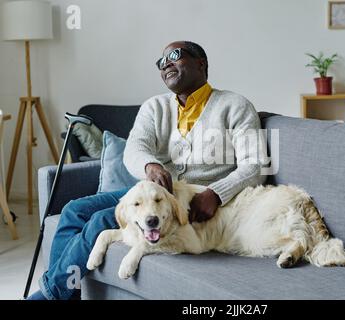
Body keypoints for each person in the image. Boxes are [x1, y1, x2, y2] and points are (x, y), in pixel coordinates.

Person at [27, 41, 266, 300]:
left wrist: (216, 193)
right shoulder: (154, 107)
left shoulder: (235, 106)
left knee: (99, 221)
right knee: (74, 209)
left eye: (175, 56)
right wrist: (150, 165)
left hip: (191, 199)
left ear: (201, 63)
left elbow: (255, 166)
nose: (166, 64)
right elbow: (134, 149)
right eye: (161, 62)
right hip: (151, 196)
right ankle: (64, 295)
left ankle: (49, 297)